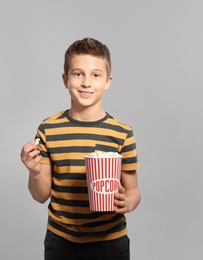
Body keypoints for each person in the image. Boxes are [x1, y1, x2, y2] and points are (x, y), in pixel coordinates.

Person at [20, 37, 140, 260]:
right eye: (78, 74)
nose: (86, 82)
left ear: (108, 81)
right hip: (61, 239)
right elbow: (40, 195)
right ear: (66, 79)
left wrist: (129, 202)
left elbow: (133, 190)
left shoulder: (122, 133)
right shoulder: (48, 129)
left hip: (110, 240)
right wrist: (34, 171)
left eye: (95, 75)